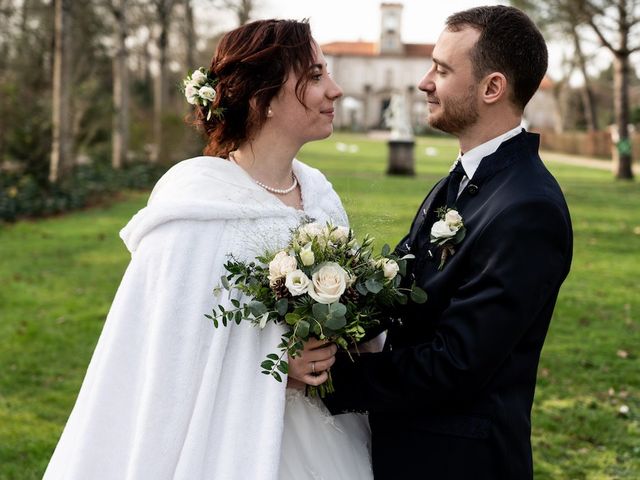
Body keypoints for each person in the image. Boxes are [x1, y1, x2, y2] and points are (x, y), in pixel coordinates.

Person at [44, 19, 374, 480]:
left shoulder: (320, 194)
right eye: (316, 76)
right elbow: (171, 351)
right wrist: (279, 363)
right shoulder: (195, 203)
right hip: (221, 440)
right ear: (264, 100)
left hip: (321, 432)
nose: (335, 90)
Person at [290, 6, 573, 479]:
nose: (424, 82)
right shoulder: (464, 179)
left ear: (491, 88)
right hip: (411, 446)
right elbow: (397, 284)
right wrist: (311, 315)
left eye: (442, 70)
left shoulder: (528, 207)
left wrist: (322, 378)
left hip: (459, 462)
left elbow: (457, 363)